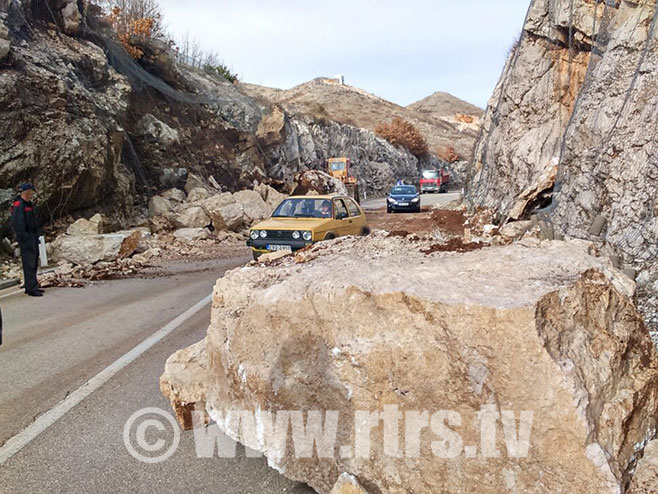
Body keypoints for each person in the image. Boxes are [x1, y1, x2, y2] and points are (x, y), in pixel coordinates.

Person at [11, 184, 43, 297]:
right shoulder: (19, 204)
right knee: (29, 263)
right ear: (27, 192)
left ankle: (31, 285)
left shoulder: (28, 204)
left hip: (32, 236)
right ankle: (31, 288)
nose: (32, 194)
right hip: (26, 238)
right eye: (31, 192)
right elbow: (17, 222)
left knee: (34, 262)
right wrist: (24, 237)